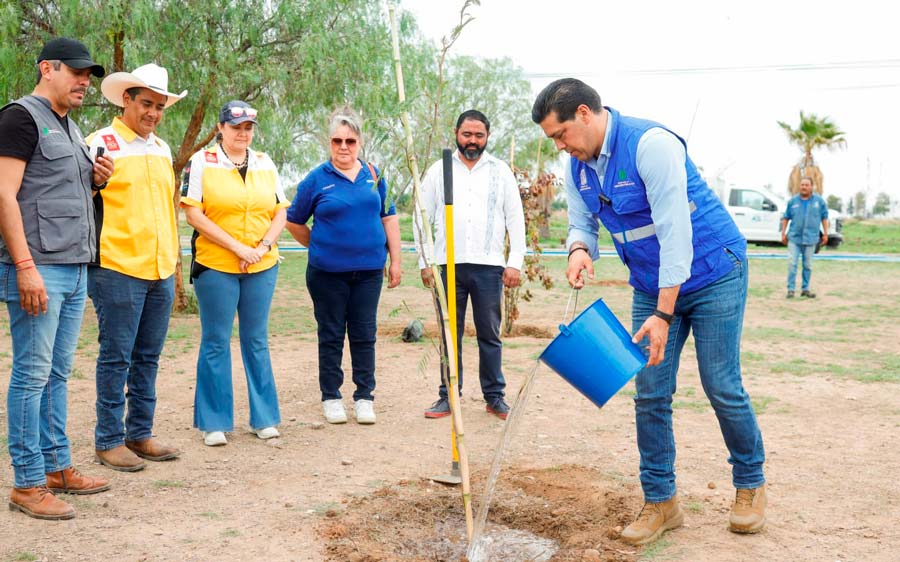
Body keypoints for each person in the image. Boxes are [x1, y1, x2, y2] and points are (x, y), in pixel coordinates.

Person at [531, 78, 767, 544]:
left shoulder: (651, 146)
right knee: (651, 391)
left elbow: (675, 235)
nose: (560, 146)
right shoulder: (577, 168)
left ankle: (750, 485)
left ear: (584, 114)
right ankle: (661, 502)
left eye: (560, 134)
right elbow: (582, 222)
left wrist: (663, 315)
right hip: (650, 281)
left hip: (713, 271)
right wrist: (579, 249)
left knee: (721, 384)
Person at [0, 37, 113, 520]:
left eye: (88, 74)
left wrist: (96, 179)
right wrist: (25, 267)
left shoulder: (69, 125)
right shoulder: (19, 118)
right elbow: (4, 195)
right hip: (38, 268)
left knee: (57, 373)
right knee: (31, 375)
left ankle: (56, 467)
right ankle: (26, 484)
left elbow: (57, 190)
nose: (85, 81)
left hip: (73, 266)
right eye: (76, 71)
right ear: (47, 68)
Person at [84, 63, 186, 471]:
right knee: (116, 357)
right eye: (147, 104)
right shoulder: (100, 143)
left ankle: (140, 433)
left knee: (148, 357)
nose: (153, 113)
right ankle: (108, 440)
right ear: (126, 99)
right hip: (117, 267)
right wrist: (93, 182)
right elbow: (81, 197)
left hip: (160, 269)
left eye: (160, 107)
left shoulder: (161, 149)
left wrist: (173, 260)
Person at [285, 106, 401, 426]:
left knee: (364, 334)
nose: (344, 147)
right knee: (331, 334)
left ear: (360, 142)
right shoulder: (316, 179)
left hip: (368, 273)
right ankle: (331, 397)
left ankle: (364, 397)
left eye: (350, 141)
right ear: (329, 143)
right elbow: (293, 220)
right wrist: (318, 244)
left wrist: (396, 261)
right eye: (337, 141)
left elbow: (388, 217)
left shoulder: (374, 175)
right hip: (327, 275)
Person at [181, 100, 287, 447]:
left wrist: (262, 247)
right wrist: (239, 248)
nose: (243, 133)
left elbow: (280, 212)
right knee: (216, 340)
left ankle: (264, 418)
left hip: (261, 264)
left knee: (256, 339)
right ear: (220, 128)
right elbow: (194, 214)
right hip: (216, 265)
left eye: (248, 128)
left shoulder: (264, 162)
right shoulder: (202, 161)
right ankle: (213, 422)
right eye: (236, 127)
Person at [415, 110, 526, 421]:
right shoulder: (439, 170)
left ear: (487, 136)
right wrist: (425, 260)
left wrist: (515, 262)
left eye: (479, 135)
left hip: (489, 266)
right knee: (450, 333)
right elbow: (421, 216)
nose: (472, 141)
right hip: (446, 264)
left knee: (489, 334)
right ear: (456, 133)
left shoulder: (500, 171)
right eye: (467, 134)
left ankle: (495, 397)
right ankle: (448, 396)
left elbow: (515, 217)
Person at [781, 177, 828, 299]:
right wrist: (783, 233)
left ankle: (805, 289)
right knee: (792, 264)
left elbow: (824, 218)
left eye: (807, 185)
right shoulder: (793, 202)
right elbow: (786, 218)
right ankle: (791, 290)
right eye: (802, 185)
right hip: (794, 238)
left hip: (811, 239)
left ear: (812, 187)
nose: (804, 187)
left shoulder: (819, 202)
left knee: (808, 265)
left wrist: (826, 234)